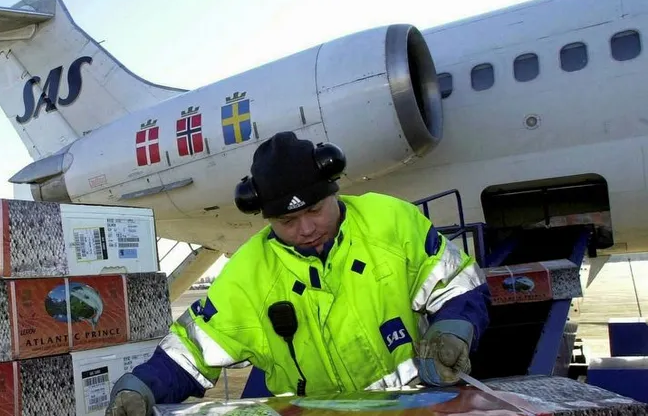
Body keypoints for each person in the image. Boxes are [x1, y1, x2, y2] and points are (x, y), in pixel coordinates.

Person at [105, 131, 491, 416]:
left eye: (314, 210)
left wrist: (454, 328)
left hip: (413, 409)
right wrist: (144, 385)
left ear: (333, 190)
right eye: (288, 220)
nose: (306, 229)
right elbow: (192, 350)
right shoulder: (248, 275)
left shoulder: (391, 222)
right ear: (266, 216)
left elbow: (458, 283)